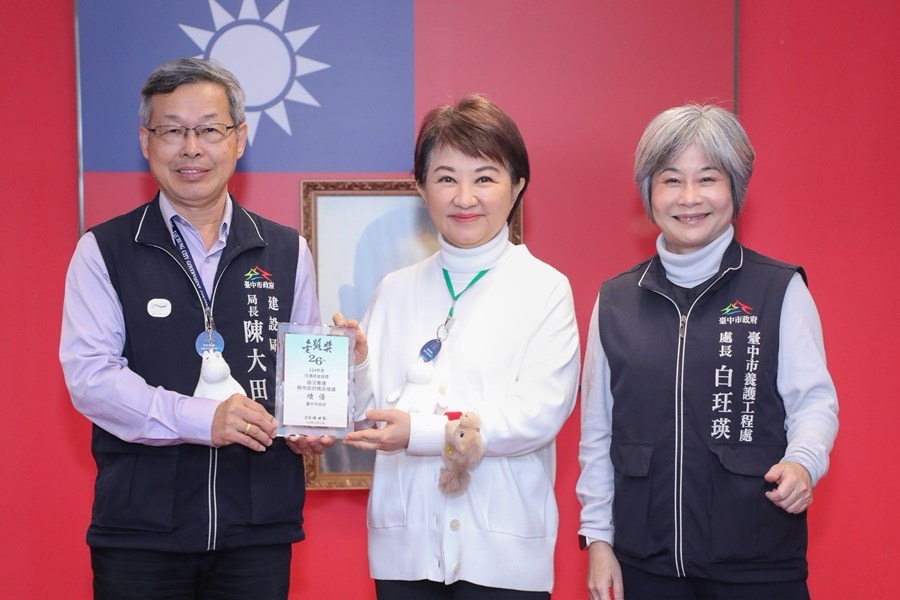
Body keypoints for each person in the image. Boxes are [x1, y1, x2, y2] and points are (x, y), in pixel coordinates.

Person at [59, 57, 333, 599]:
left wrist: (313, 421)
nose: (191, 149)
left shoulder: (287, 251)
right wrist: (203, 419)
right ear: (146, 141)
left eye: (209, 130)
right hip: (141, 533)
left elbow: (301, 375)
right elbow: (91, 378)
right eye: (172, 131)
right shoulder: (104, 251)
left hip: (257, 529)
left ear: (239, 139)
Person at [576, 104, 839, 600]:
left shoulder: (779, 289)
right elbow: (597, 433)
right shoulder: (614, 301)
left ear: (734, 189)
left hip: (757, 561)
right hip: (646, 562)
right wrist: (599, 539)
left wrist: (803, 462)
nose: (690, 197)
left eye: (708, 178)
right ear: (649, 192)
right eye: (671, 180)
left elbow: (814, 402)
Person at [335, 94, 580, 599]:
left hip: (503, 555)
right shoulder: (394, 289)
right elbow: (365, 415)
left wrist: (424, 433)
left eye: (485, 178)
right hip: (405, 552)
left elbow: (536, 415)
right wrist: (355, 365)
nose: (465, 198)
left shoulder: (545, 289)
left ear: (518, 186)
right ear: (421, 188)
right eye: (446, 178)